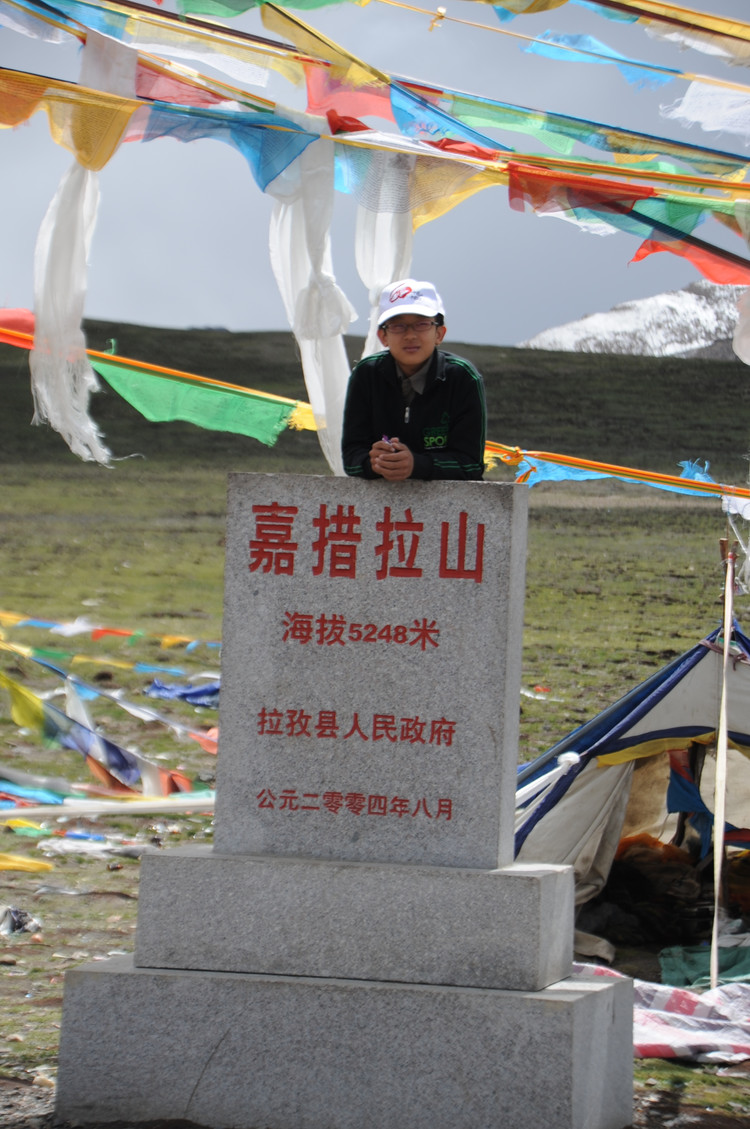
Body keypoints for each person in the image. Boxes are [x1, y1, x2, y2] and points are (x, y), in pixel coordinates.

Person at [341, 279, 486, 481]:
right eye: (398, 326)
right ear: (383, 336)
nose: (410, 335)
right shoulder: (366, 374)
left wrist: (417, 465)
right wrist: (372, 463)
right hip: (382, 509)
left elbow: (471, 464)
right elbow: (351, 457)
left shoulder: (462, 377)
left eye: (421, 324)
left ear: (439, 333)